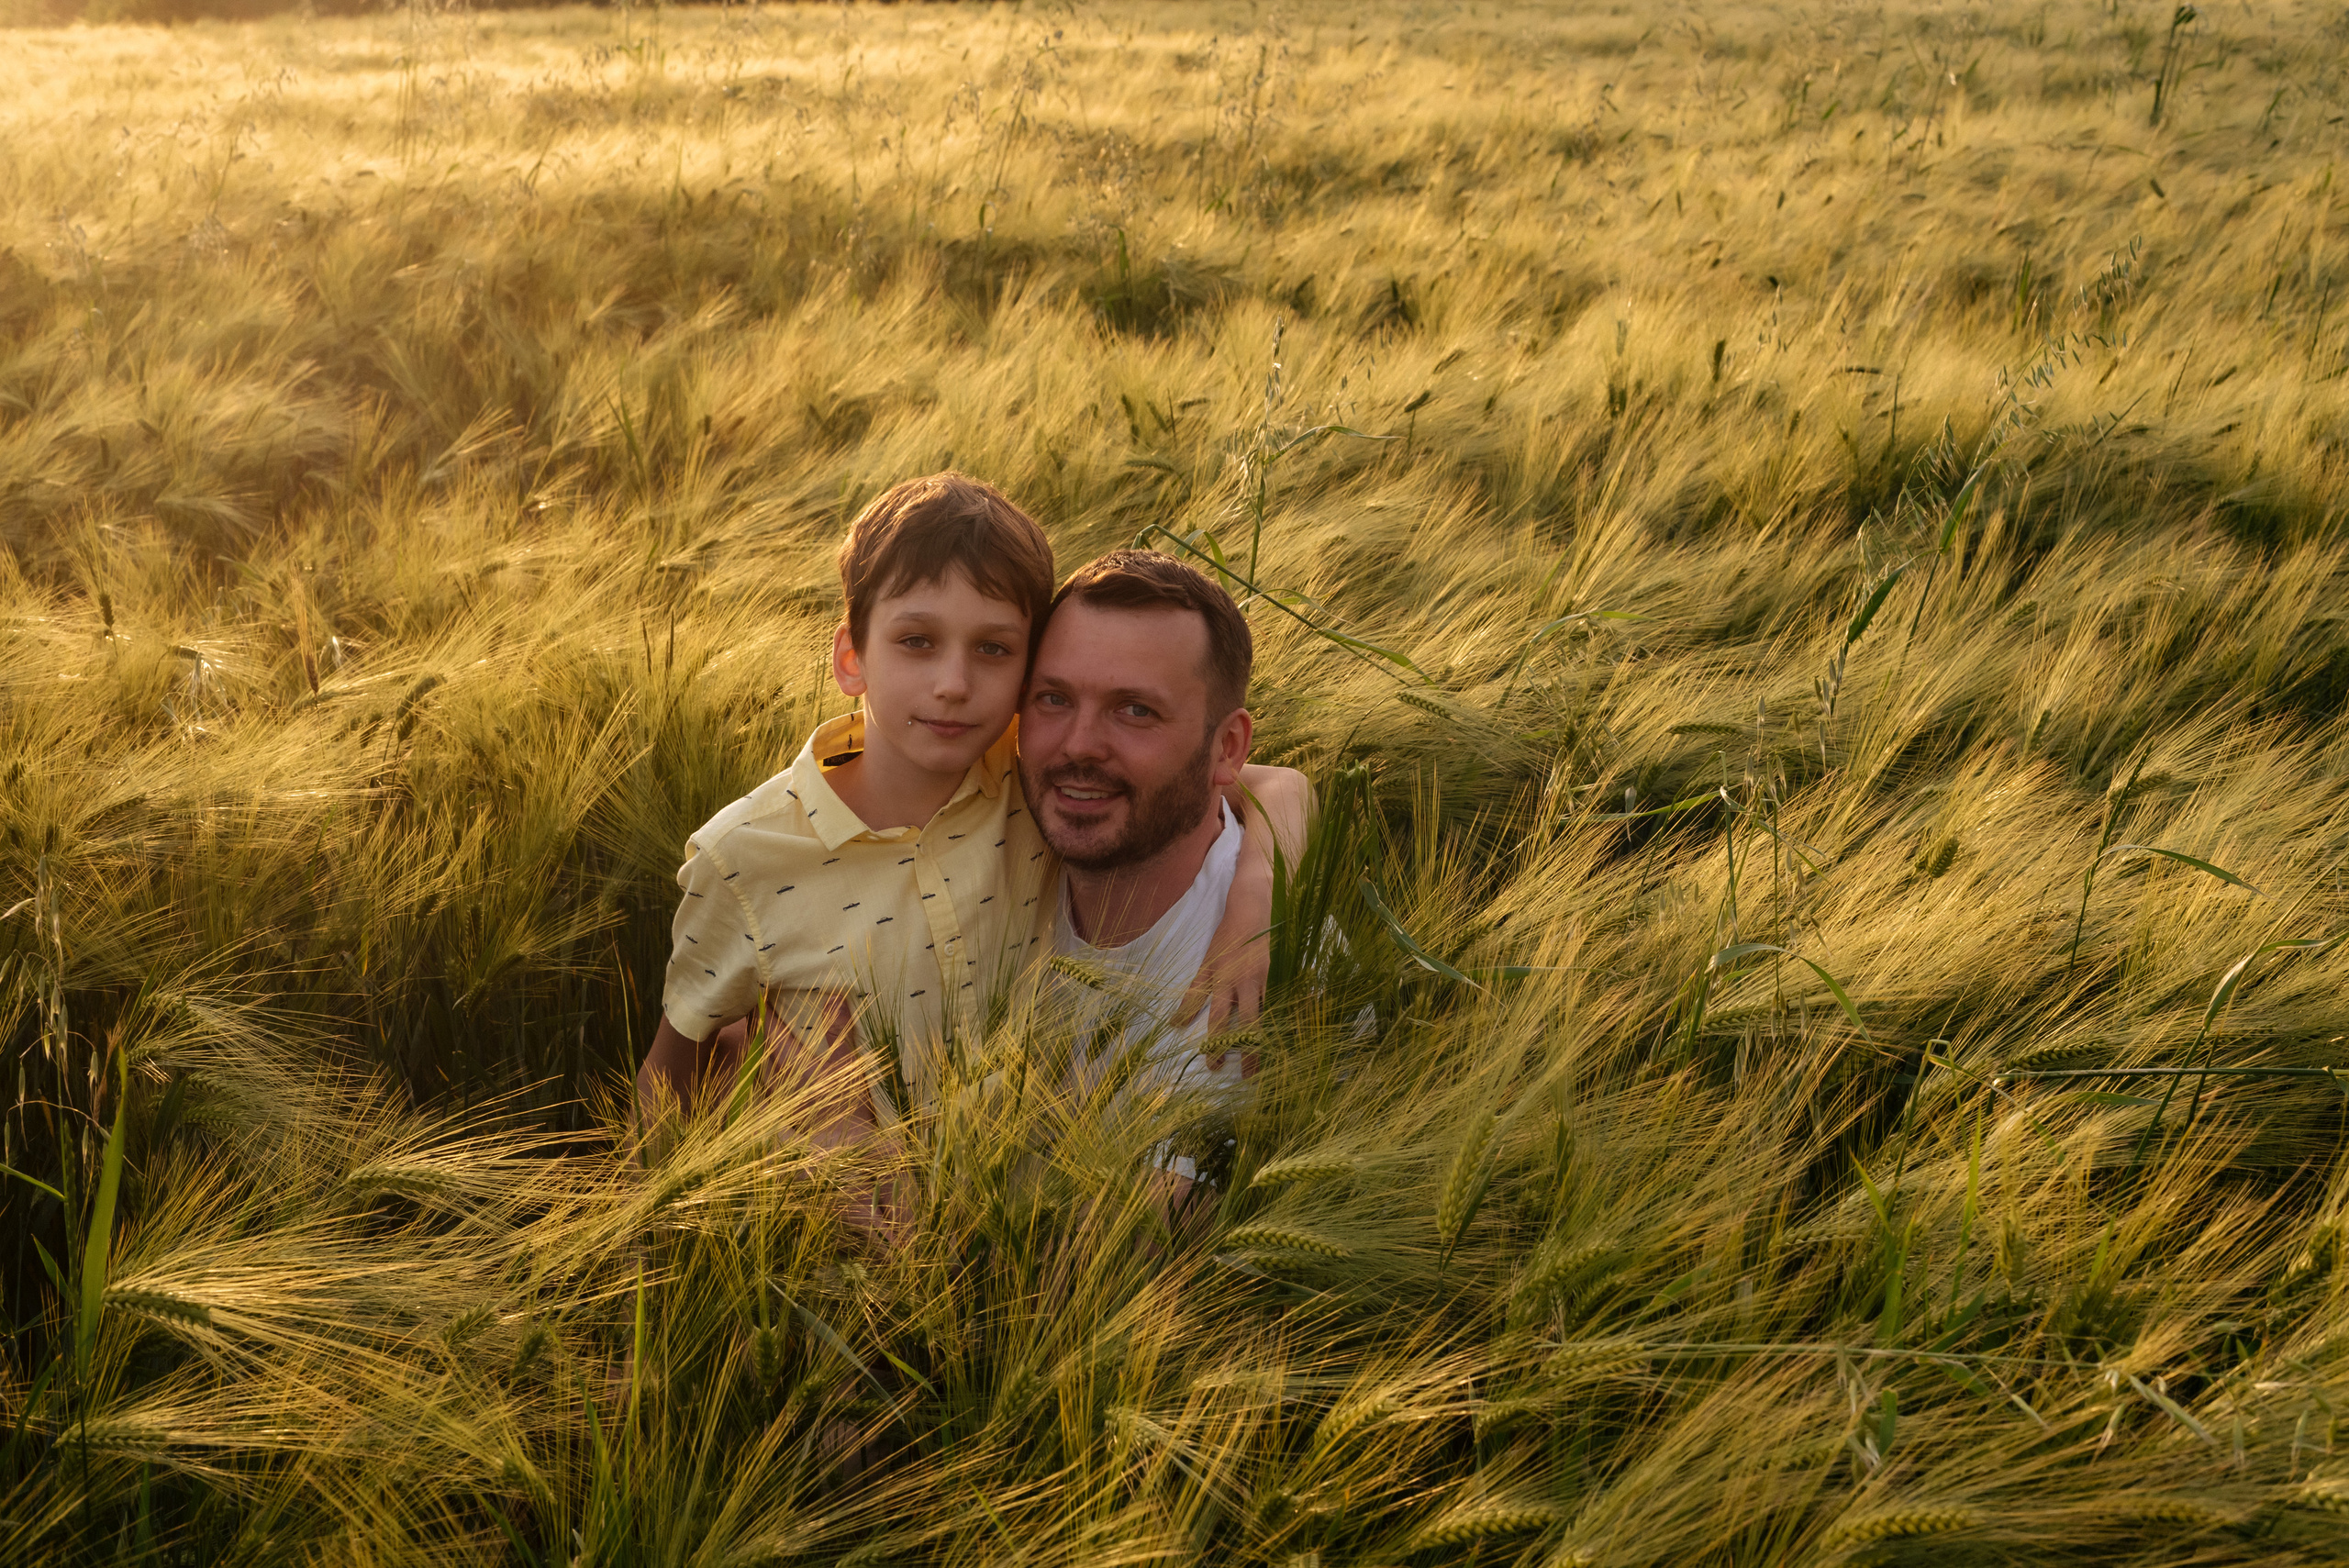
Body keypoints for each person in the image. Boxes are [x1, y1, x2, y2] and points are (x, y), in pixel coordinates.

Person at [635, 474, 1305, 1147]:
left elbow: (1269, 782)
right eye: (917, 641)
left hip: (1004, 1196)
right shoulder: (743, 857)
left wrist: (1259, 894)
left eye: (993, 649)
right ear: (850, 658)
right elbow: (674, 1074)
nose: (954, 685)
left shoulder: (1026, 774)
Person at [1020, 549, 1304, 1197]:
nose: (1078, 744)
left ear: (1226, 748)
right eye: (1053, 698)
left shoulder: (1265, 980)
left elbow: (1130, 1244)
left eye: (1136, 711)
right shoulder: (989, 840)